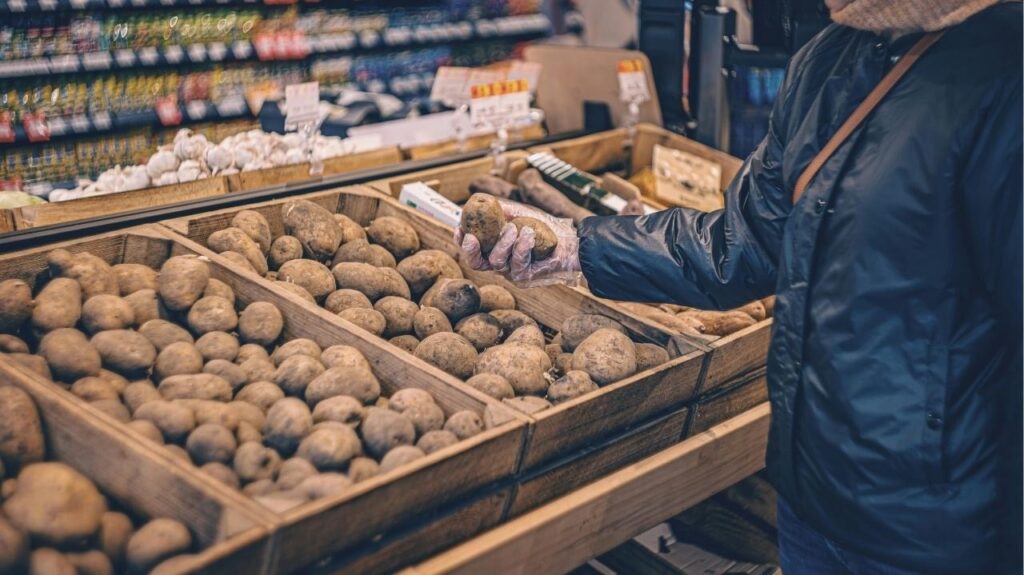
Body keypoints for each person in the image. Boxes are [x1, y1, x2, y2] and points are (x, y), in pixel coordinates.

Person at [457, 1, 1022, 573]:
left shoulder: (1007, 74)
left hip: (942, 528)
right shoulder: (830, 57)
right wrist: (578, 244)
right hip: (810, 494)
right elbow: (742, 241)